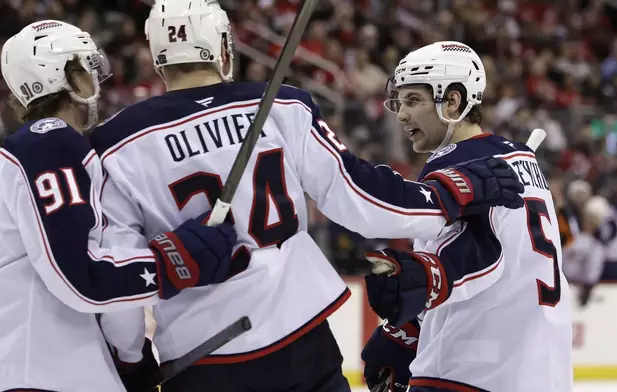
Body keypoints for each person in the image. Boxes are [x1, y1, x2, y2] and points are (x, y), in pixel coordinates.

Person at [91, 2, 525, 391]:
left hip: (201, 355)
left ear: (156, 57)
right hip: (301, 341)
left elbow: (118, 274)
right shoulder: (283, 105)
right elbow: (364, 201)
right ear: (224, 48)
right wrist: (449, 195)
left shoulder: (113, 145)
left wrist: (131, 359)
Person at [0, 20, 242, 392]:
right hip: (50, 375)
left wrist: (129, 356)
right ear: (66, 77)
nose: (96, 82)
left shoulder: (27, 154)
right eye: (86, 68)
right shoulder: (49, 144)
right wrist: (173, 260)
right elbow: (78, 276)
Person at [360, 41, 573, 392]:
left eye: (413, 100)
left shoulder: (454, 166)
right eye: (400, 101)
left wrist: (402, 331)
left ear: (453, 101)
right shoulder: (523, 161)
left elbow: (471, 259)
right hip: (543, 371)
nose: (401, 114)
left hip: (466, 369)